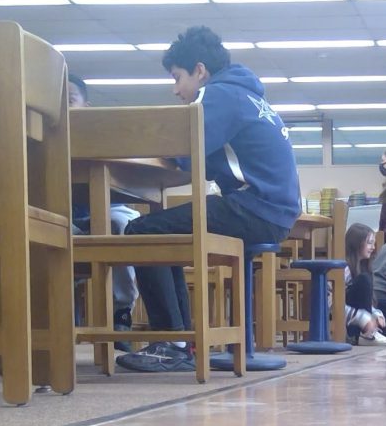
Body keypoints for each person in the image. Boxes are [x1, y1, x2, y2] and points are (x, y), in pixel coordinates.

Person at [117, 25, 301, 373]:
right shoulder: (247, 95)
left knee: (143, 231)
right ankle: (178, 341)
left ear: (199, 71)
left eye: (177, 78)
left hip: (255, 207)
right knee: (159, 229)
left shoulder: (216, 95)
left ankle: (172, 343)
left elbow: (187, 154)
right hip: (273, 209)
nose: (175, 90)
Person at [67, 72, 139, 342]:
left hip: (108, 211)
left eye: (70, 100)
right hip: (63, 217)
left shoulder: (105, 136)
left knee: (124, 225)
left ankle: (121, 312)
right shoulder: (36, 137)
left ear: (86, 108)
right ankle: (51, 314)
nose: (64, 107)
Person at [343, 222, 386, 346]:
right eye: (369, 243)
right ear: (356, 244)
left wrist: (375, 314)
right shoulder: (344, 270)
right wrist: (362, 318)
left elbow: (366, 302)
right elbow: (333, 305)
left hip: (360, 320)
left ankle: (371, 331)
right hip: (350, 323)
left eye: (374, 243)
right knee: (364, 279)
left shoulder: (364, 268)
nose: (373, 247)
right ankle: (365, 335)